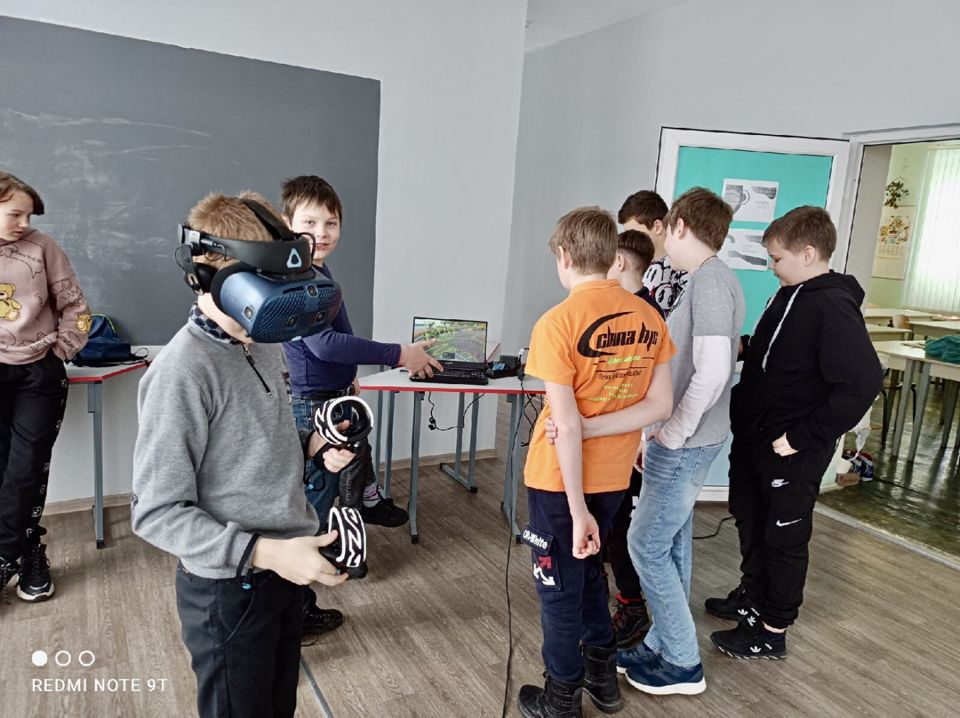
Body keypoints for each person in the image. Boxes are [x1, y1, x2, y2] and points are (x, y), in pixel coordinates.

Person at [131, 191, 351, 718]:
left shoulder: (261, 342)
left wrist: (313, 446)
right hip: (229, 588)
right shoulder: (183, 372)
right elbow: (156, 512)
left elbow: (253, 444)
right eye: (268, 282)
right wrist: (268, 553)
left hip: (283, 569)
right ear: (213, 276)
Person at [516, 206, 674, 718]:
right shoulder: (648, 317)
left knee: (557, 588)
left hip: (560, 483)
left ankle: (561, 697)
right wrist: (597, 429)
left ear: (564, 256)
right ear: (611, 257)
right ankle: (603, 680)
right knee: (587, 575)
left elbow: (565, 427)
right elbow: (660, 406)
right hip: (614, 476)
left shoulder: (557, 322)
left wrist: (576, 506)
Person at [706, 206, 883, 660]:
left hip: (792, 447)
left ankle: (772, 629)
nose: (772, 267)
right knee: (749, 516)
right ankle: (752, 596)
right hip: (757, 437)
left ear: (807, 254)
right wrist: (742, 347)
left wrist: (802, 436)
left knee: (783, 535)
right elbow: (779, 353)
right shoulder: (787, 294)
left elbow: (862, 383)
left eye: (777, 259)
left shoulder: (832, 305)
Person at [279, 175, 441, 636]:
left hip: (330, 397)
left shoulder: (316, 271)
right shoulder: (299, 278)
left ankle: (328, 565)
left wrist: (348, 378)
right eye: (310, 222)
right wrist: (400, 353)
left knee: (329, 496)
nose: (322, 232)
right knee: (311, 508)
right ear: (288, 224)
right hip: (313, 408)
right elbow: (325, 345)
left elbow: (332, 342)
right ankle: (295, 612)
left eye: (331, 222)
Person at [0, 170, 90, 605]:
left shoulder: (43, 247)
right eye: (15, 214)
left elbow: (75, 306)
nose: (24, 223)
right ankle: (27, 548)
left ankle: (5, 559)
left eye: (29, 216)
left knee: (27, 469)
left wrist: (61, 351)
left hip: (38, 372)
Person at [602, 229, 664, 648]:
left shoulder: (643, 315)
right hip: (618, 436)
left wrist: (643, 434)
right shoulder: (632, 309)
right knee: (612, 523)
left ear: (620, 262)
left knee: (620, 524)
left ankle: (632, 606)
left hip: (630, 441)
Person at [618, 190, 687, 314]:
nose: (631, 241)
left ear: (657, 227)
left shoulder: (683, 269)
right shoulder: (636, 267)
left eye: (635, 234)